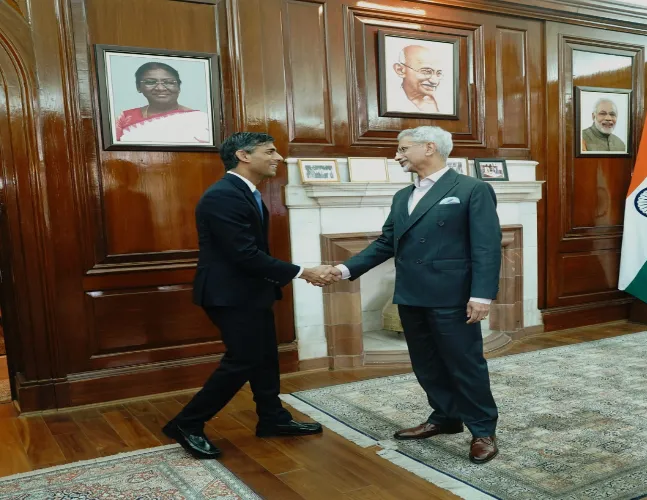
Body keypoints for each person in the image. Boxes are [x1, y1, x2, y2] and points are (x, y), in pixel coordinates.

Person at [331, 126, 502, 464]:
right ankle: (445, 417)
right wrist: (344, 270)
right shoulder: (401, 197)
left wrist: (482, 295)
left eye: (403, 149)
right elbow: (385, 244)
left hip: (452, 296)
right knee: (426, 363)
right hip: (411, 294)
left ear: (429, 148)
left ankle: (483, 429)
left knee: (465, 364)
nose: (397, 155)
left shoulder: (472, 189)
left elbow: (487, 246)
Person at [162, 132, 337, 458]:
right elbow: (243, 254)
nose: (278, 157)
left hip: (250, 291)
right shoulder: (223, 196)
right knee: (243, 359)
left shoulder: (245, 193)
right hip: (228, 294)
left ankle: (272, 418)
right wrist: (303, 271)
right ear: (243, 155)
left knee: (266, 357)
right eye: (270, 151)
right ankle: (187, 422)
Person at [115, 62, 211, 144]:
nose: (160, 88)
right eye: (150, 82)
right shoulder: (125, 118)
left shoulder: (201, 120)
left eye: (169, 82)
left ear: (178, 87)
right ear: (138, 87)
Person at [390, 45, 446, 114]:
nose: (435, 81)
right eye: (426, 71)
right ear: (400, 70)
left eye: (438, 73)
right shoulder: (391, 103)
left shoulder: (446, 104)